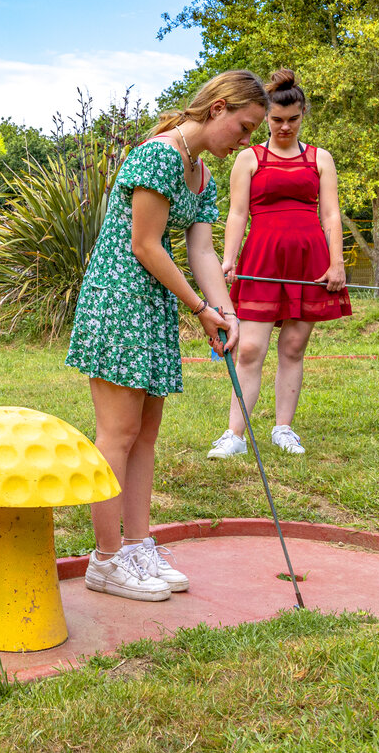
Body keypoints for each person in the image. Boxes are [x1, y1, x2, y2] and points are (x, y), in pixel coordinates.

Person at [66, 70, 268, 602]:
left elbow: (202, 252)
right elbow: (145, 245)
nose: (245, 141)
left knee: (146, 434)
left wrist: (226, 314)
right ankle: (105, 559)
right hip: (118, 298)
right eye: (245, 127)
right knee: (117, 432)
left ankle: (136, 545)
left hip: (151, 303)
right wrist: (200, 309)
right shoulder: (159, 155)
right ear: (219, 108)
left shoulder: (202, 173)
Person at [209, 69, 351, 459]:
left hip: (309, 262)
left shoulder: (320, 158)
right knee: (250, 348)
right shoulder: (248, 158)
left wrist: (336, 263)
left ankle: (284, 429)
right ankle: (235, 435)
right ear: (266, 117)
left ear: (303, 115)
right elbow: (238, 214)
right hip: (263, 259)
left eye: (293, 119)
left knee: (292, 346)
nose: (284, 127)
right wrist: (229, 259)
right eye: (276, 120)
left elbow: (331, 215)